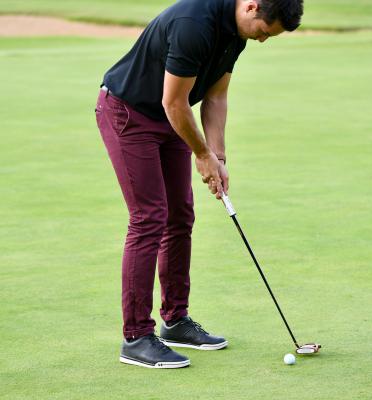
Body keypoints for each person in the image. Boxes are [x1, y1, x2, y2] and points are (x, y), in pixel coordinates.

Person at [95, 0, 303, 369]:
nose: (262, 40)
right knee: (148, 218)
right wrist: (201, 154)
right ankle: (136, 337)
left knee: (180, 217)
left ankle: (175, 321)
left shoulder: (236, 34)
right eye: (264, 32)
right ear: (252, 7)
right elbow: (175, 102)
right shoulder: (194, 24)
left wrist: (217, 156)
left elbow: (216, 96)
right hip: (129, 113)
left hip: (169, 117)